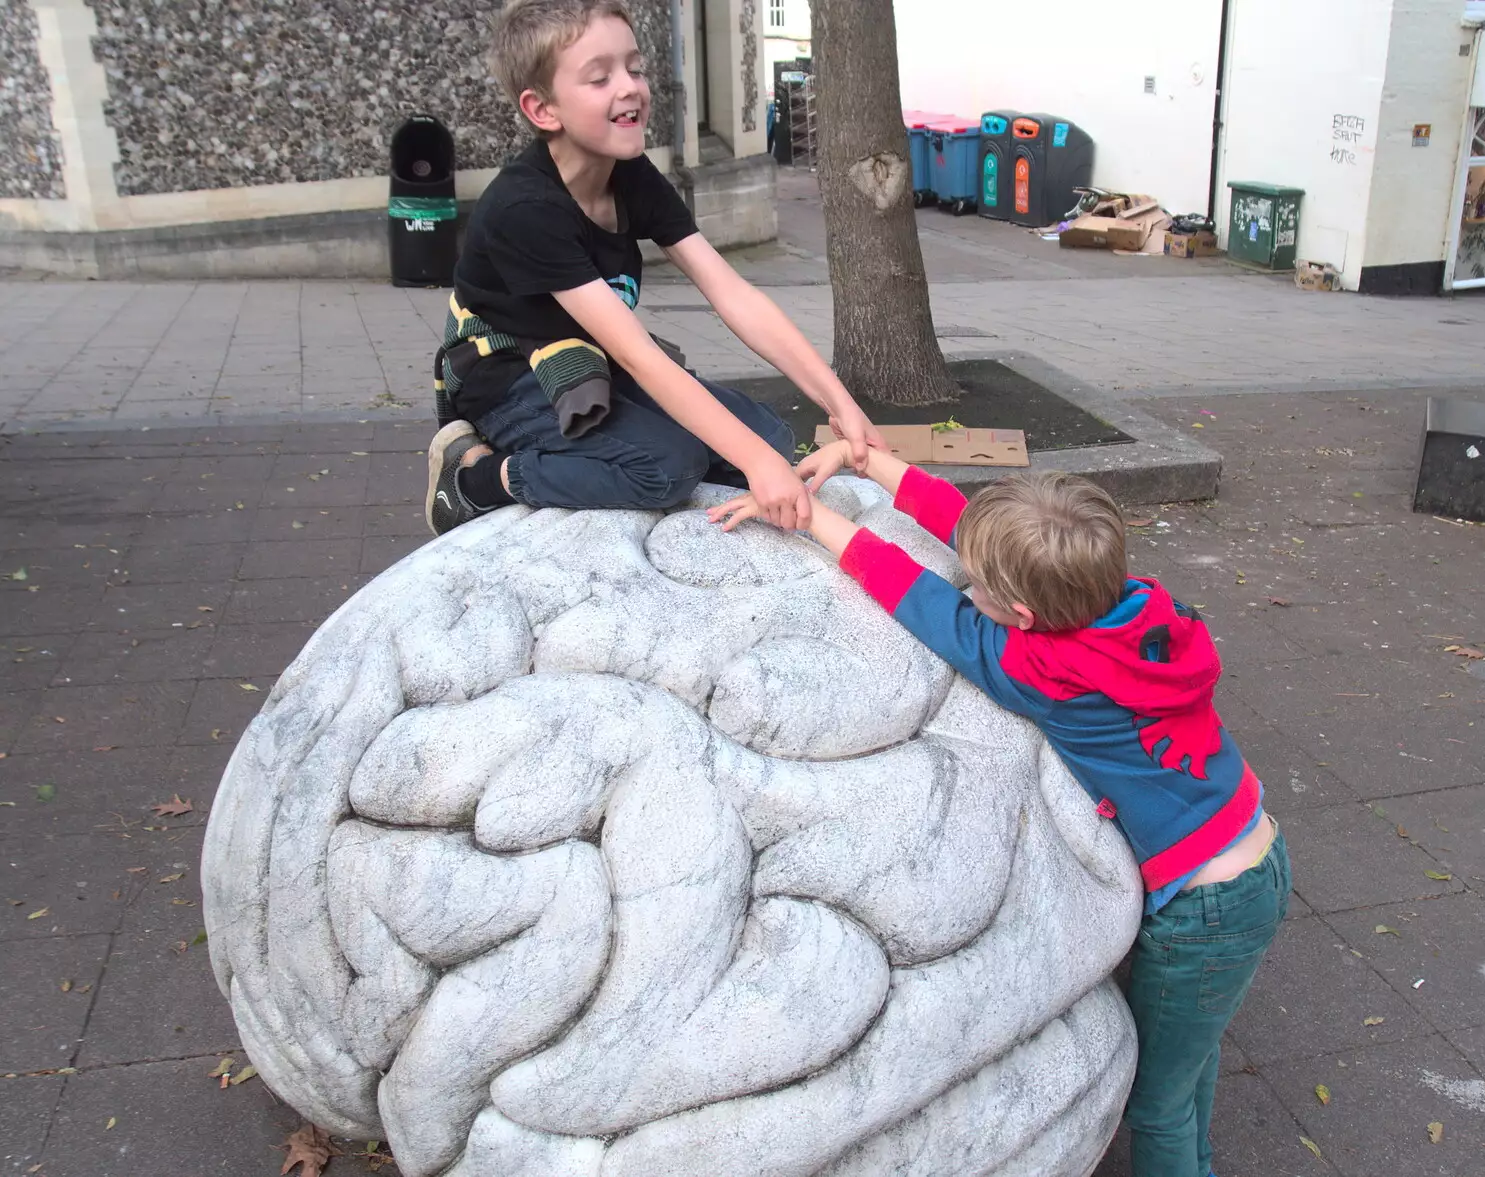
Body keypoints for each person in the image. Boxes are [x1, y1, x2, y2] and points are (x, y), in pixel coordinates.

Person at [711, 442, 1290, 1177]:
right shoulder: (1137, 603)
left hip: (1205, 908)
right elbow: (981, 530)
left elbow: (919, 599)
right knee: (1188, 1063)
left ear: (1020, 614)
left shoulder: (1046, 671)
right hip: (1256, 849)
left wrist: (810, 517)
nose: (968, 587)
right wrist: (870, 459)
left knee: (1157, 1103)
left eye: (979, 585)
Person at [425, 0, 882, 536]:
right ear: (543, 110)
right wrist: (757, 467)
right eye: (600, 78)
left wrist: (838, 401)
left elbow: (731, 293)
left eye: (635, 68)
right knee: (666, 469)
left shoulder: (630, 173)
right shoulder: (525, 209)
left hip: (586, 358)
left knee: (770, 435)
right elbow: (635, 353)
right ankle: (476, 479)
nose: (630, 87)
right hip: (508, 378)